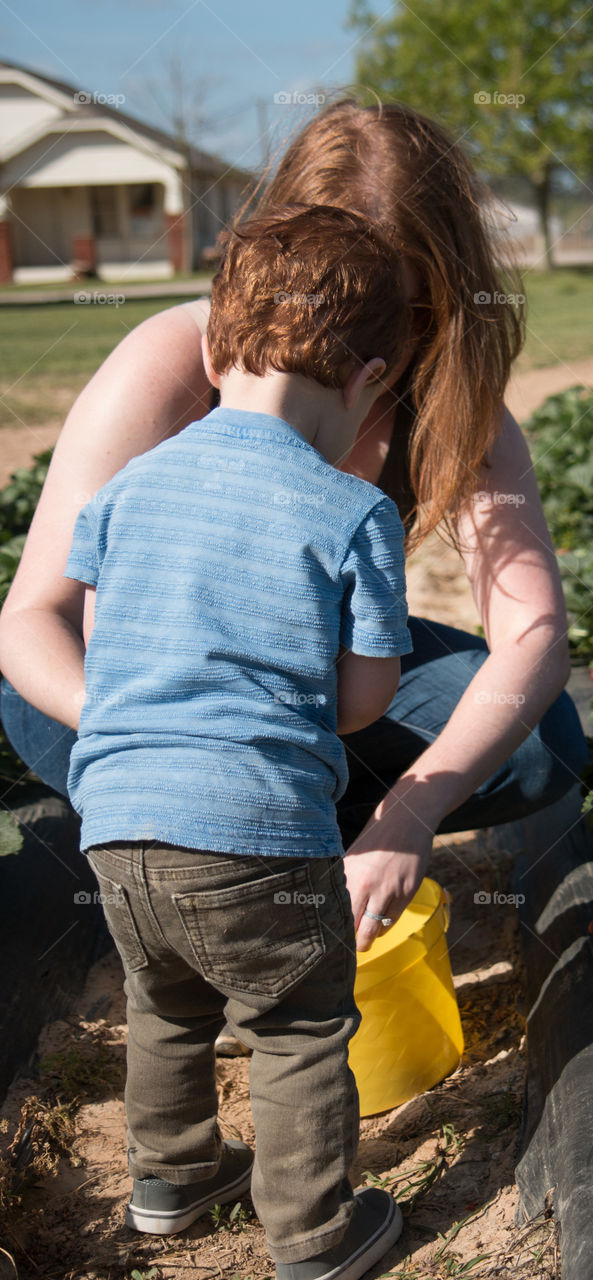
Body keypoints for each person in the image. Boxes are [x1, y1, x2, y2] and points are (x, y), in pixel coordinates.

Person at [0, 97, 588, 958]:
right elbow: (30, 621)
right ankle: (227, 846)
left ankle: (309, 845)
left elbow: (532, 638)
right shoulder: (173, 360)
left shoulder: (450, 401)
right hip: (136, 681)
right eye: (340, 296)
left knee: (539, 744)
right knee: (36, 711)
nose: (364, 347)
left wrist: (410, 813)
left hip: (312, 681)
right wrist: (166, 737)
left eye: (406, 314)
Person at [43, 205, 413, 1276]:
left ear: (212, 349)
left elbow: (113, 654)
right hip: (255, 832)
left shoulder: (128, 489)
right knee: (297, 1022)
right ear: (368, 381)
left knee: (165, 1003)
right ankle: (312, 1234)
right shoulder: (350, 510)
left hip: (116, 826)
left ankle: (170, 1179)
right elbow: (360, 698)